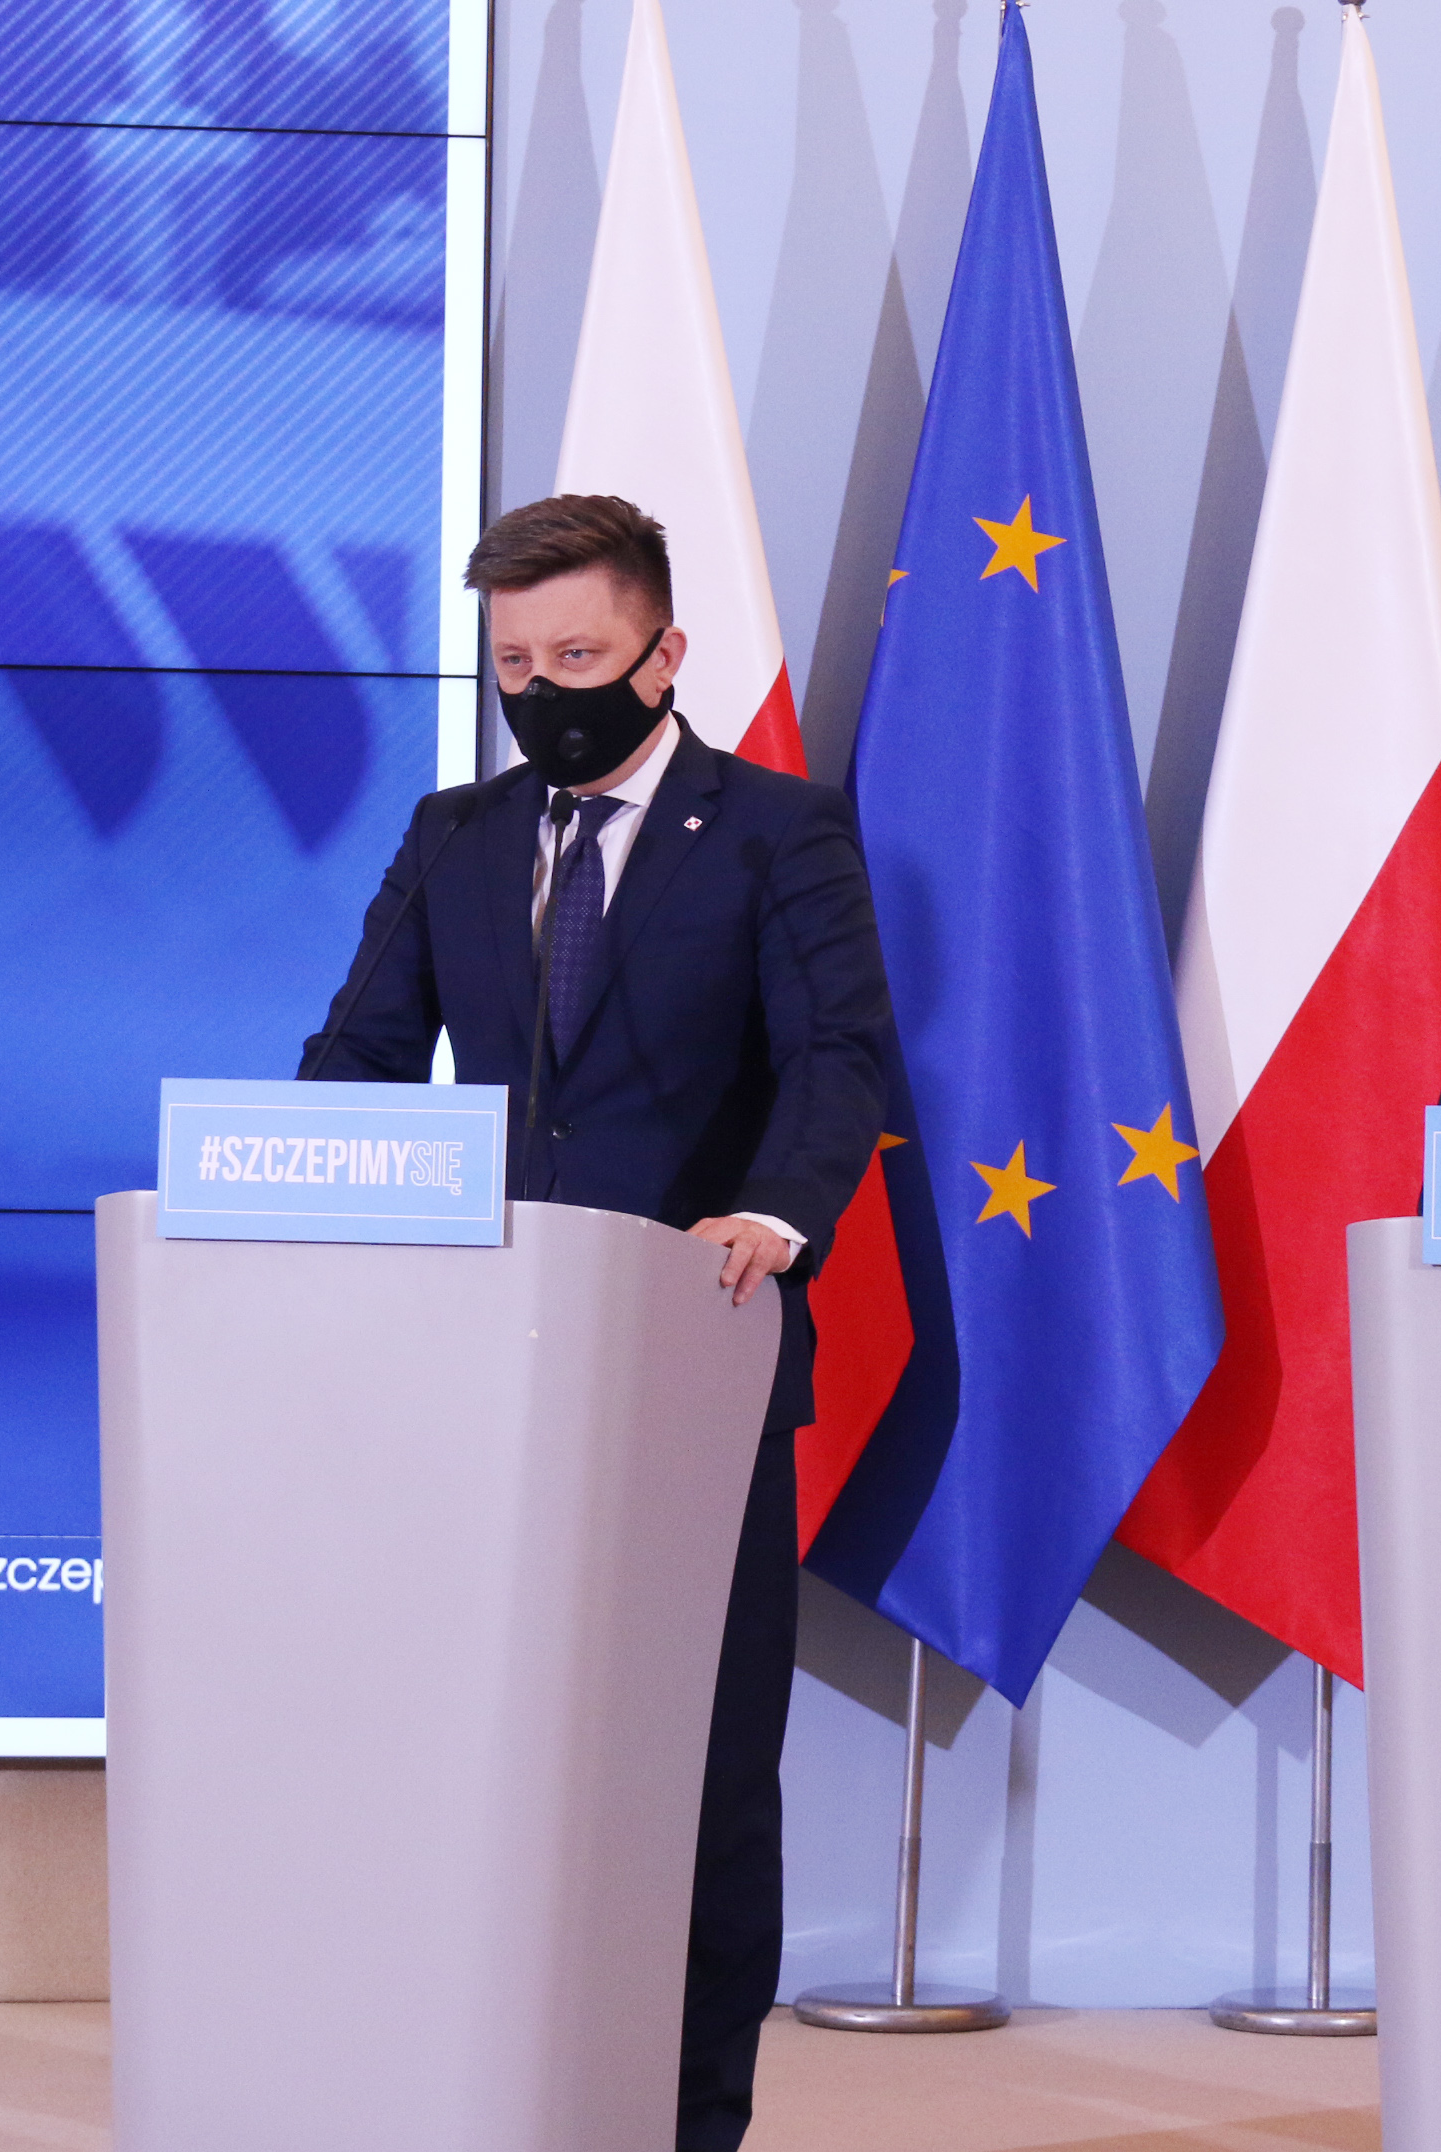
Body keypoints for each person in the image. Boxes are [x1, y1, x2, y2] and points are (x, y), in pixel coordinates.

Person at [302, 493, 892, 2152]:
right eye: (514, 664)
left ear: (662, 650)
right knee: (483, 1756)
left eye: (576, 656)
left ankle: (690, 2122)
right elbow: (358, 1061)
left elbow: (840, 1053)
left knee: (698, 1773)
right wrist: (293, 1183)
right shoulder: (457, 837)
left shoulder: (777, 833)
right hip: (477, 1378)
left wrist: (776, 1213)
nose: (542, 691)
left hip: (692, 1352)